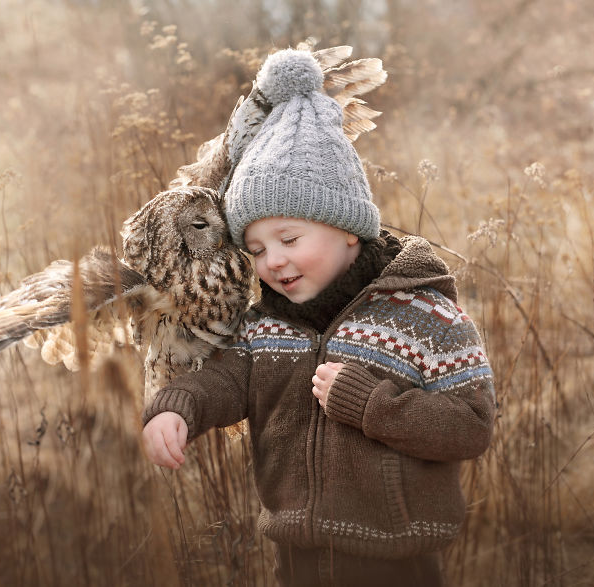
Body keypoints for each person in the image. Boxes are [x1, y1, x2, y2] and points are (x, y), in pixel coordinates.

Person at [142, 48, 495, 586]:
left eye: (288, 239)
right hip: (299, 557)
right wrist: (177, 408)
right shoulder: (267, 326)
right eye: (255, 250)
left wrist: (371, 403)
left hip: (397, 564)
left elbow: (469, 428)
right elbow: (223, 380)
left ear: (347, 227)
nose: (273, 261)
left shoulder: (423, 315)